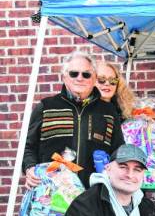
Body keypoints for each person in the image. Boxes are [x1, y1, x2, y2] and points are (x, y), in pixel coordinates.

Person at [23, 50, 125, 189]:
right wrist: (29, 169)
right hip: (52, 194)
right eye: (74, 73)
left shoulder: (108, 111)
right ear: (64, 77)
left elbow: (118, 151)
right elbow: (28, 147)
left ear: (94, 78)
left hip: (93, 194)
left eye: (86, 74)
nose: (80, 78)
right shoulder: (46, 107)